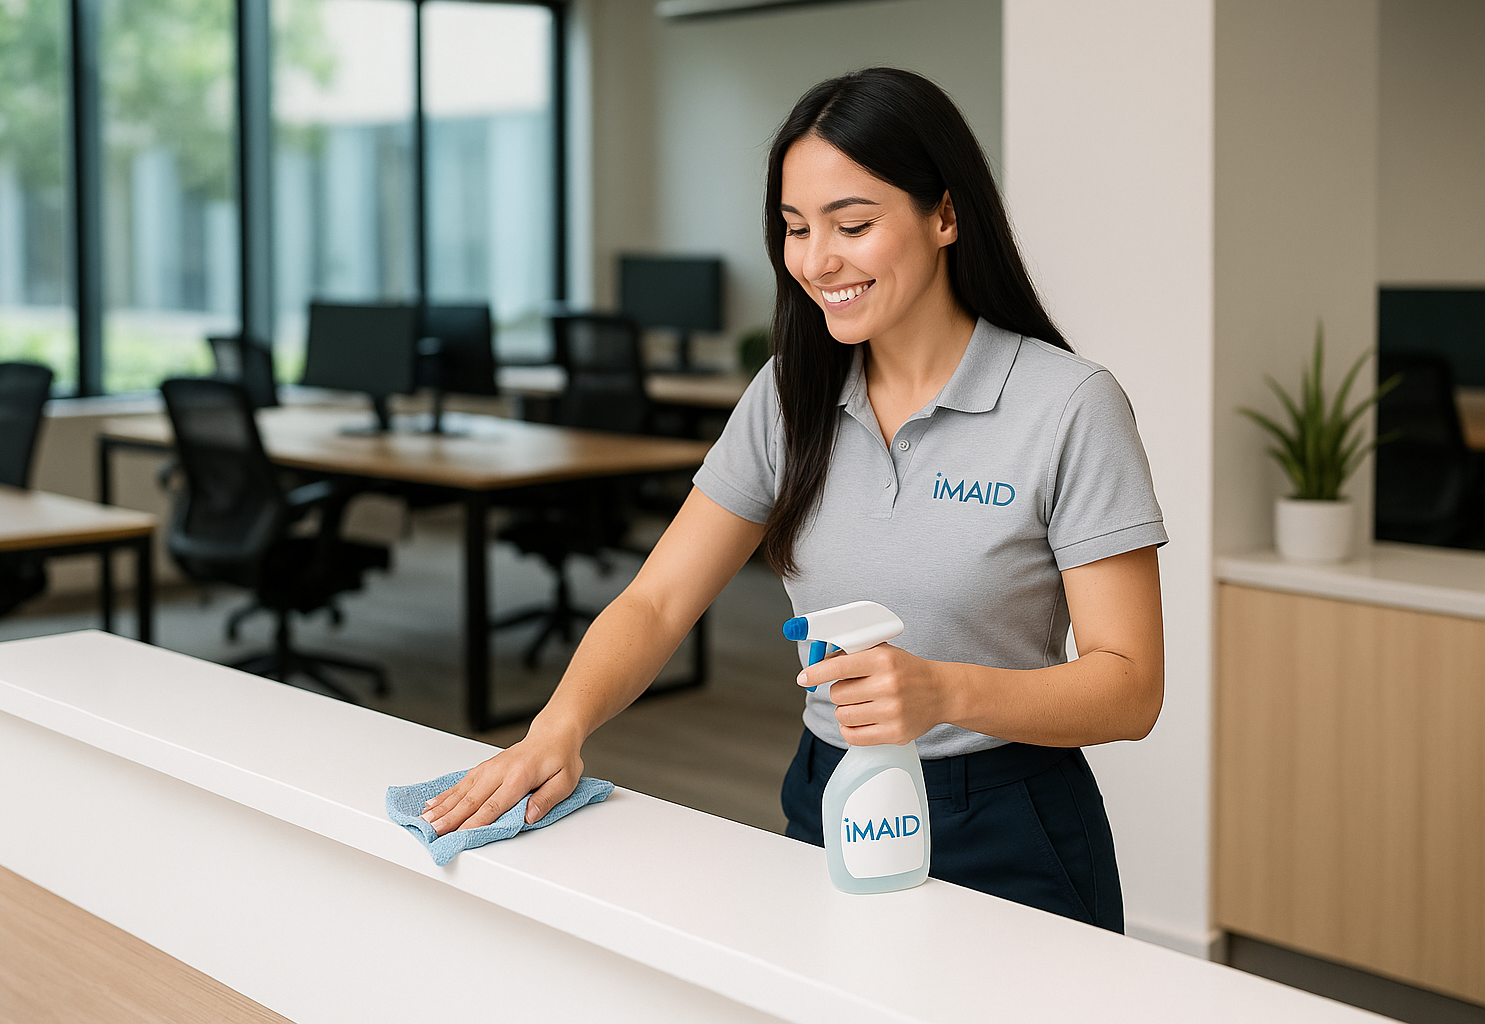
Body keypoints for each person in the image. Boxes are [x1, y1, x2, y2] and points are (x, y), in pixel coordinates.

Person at [422, 67, 1166, 932]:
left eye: (852, 224)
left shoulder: (1069, 405)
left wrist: (945, 693)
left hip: (1007, 815)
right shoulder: (790, 395)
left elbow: (1130, 687)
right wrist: (560, 724)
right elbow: (660, 601)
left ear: (946, 216)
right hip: (830, 791)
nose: (818, 260)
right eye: (795, 228)